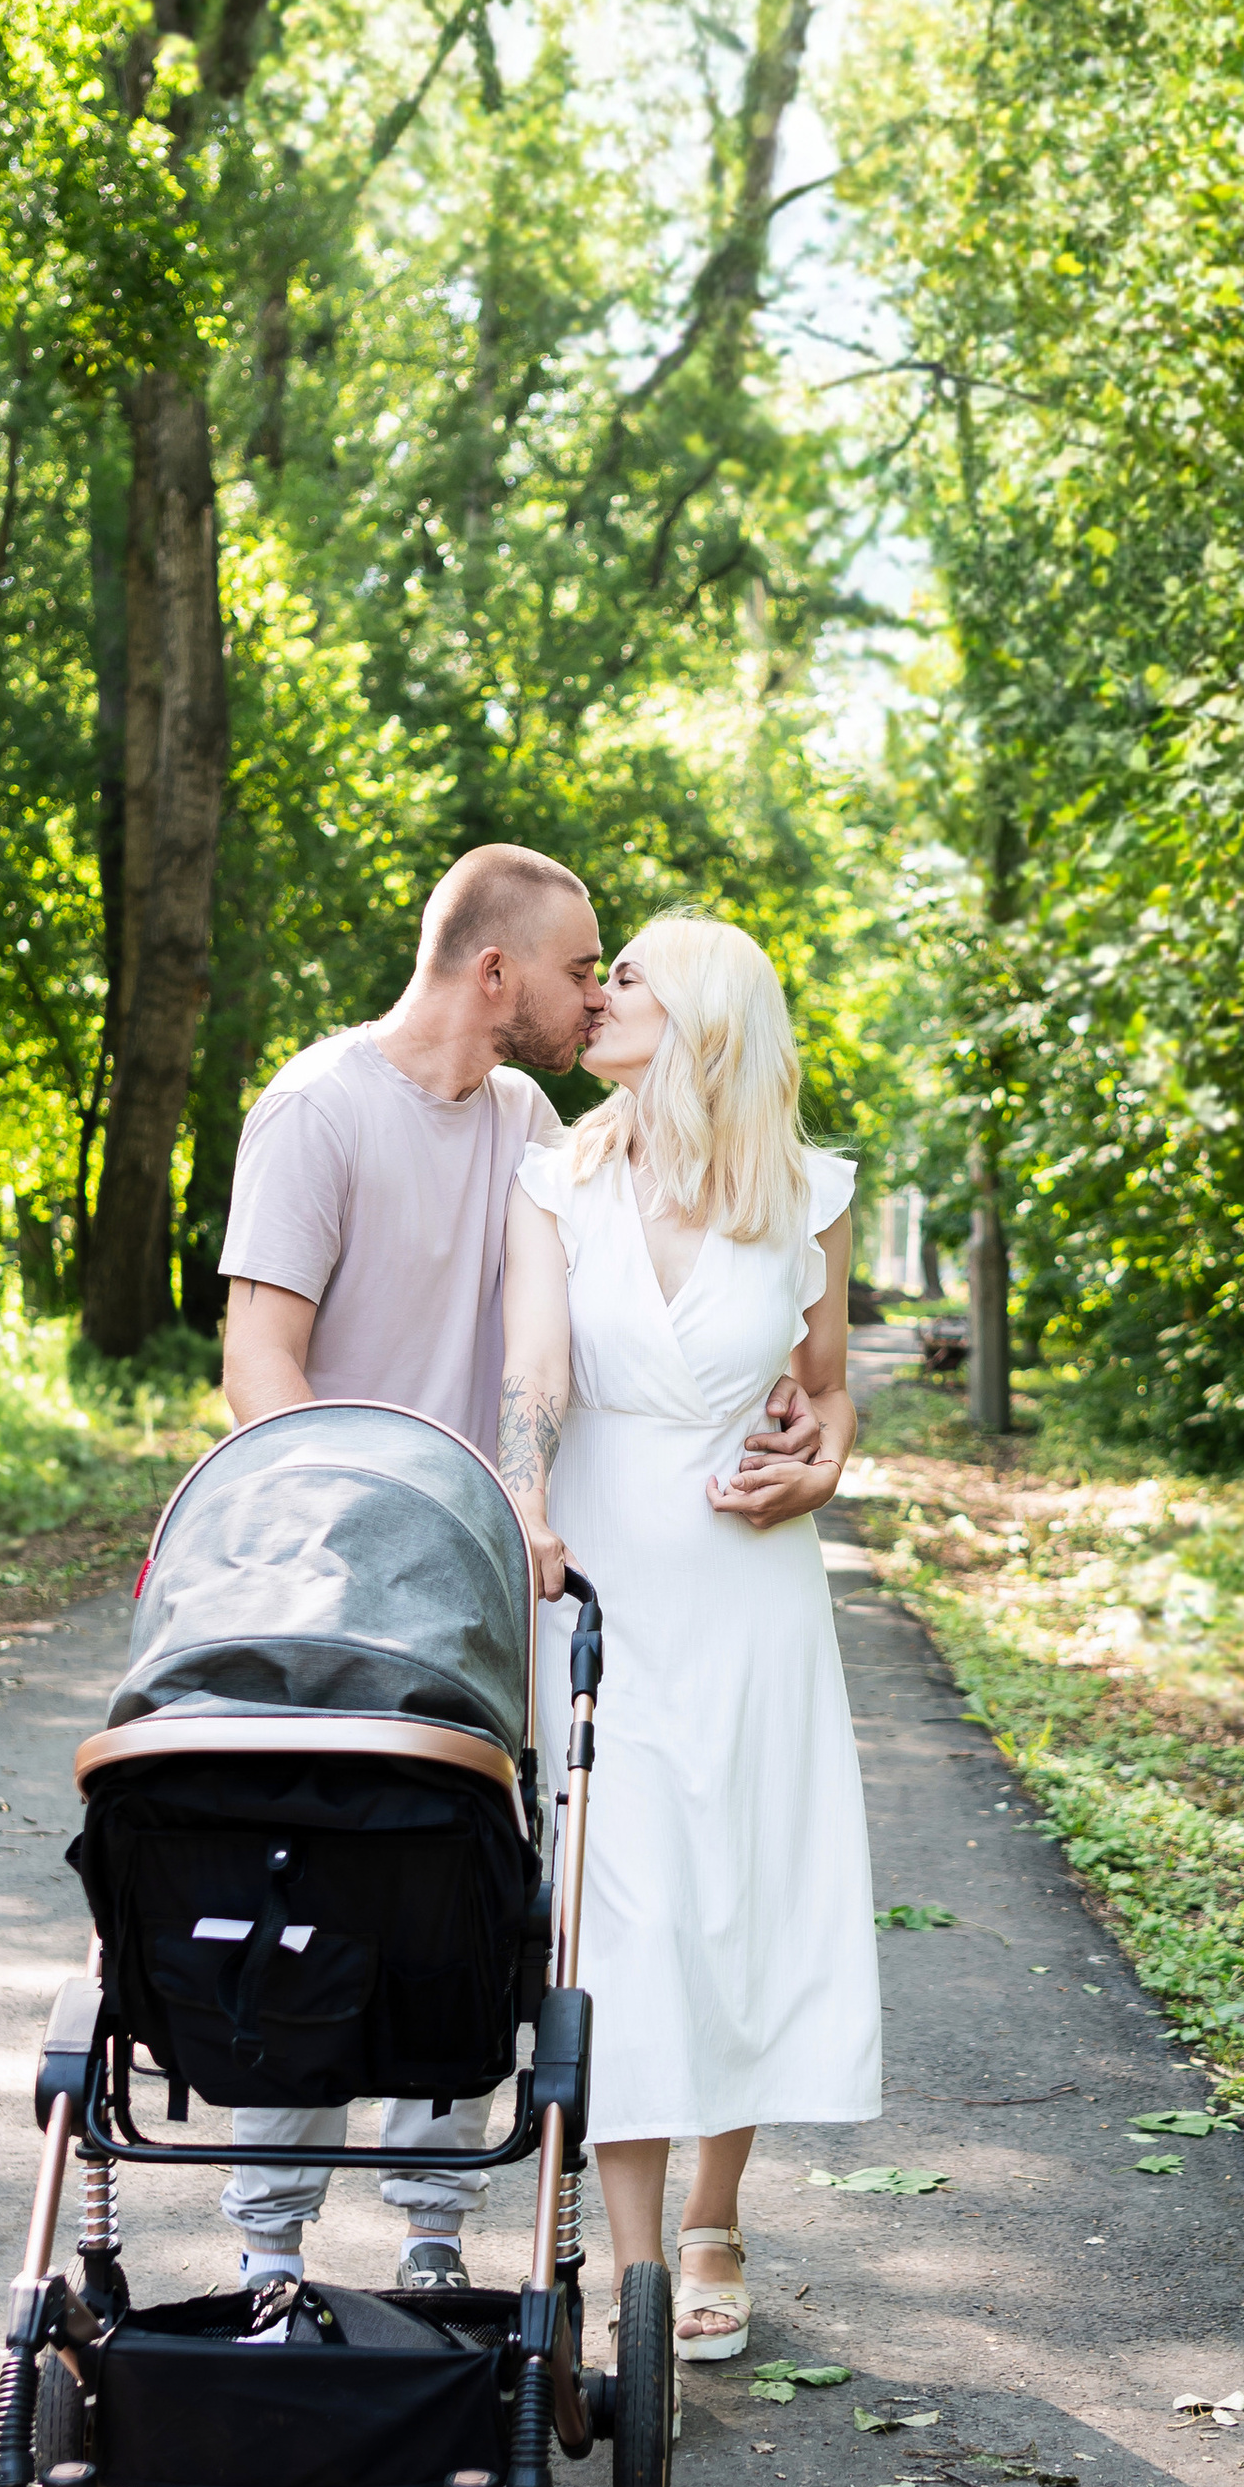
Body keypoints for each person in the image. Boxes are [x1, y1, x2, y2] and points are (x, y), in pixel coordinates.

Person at [210, 841, 601, 2295]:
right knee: (300, 1905)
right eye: (577, 967)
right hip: (322, 1574)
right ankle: (269, 2250)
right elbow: (260, 1358)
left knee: (458, 1901)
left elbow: (553, 1325)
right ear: (496, 971)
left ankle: (437, 2239)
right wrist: (378, 1512)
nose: (591, 992)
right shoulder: (318, 1109)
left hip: (474, 1594)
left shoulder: (526, 1121)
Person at [496, 914, 882, 2359]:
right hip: (598, 1579)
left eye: (630, 977)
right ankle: (640, 2265)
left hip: (750, 1590)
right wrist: (525, 1500)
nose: (597, 995)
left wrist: (825, 1458)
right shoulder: (562, 1181)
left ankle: (721, 2210)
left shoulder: (805, 1195)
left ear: (704, 1016)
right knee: (624, 1903)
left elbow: (828, 1389)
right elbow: (536, 1367)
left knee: (741, 1889)